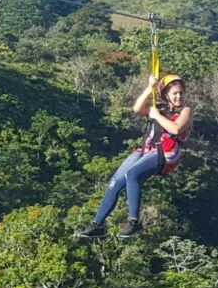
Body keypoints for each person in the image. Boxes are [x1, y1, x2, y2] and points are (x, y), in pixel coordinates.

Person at [77, 74, 193, 238]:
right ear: (166, 94)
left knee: (132, 174)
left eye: (181, 92)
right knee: (116, 181)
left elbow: (175, 129)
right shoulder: (158, 107)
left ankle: (134, 221)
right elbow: (137, 108)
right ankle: (97, 224)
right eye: (175, 93)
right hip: (147, 149)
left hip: (167, 153)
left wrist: (156, 116)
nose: (179, 96)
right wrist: (149, 88)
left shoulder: (185, 111)